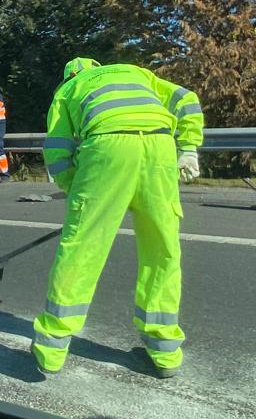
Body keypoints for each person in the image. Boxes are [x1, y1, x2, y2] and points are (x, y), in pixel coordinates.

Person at [32, 57, 203, 378]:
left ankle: (52, 348)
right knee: (162, 248)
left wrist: (76, 191)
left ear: (69, 75)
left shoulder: (69, 89)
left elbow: (56, 147)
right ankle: (165, 351)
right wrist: (189, 147)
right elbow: (186, 98)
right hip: (160, 147)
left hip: (107, 148)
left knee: (82, 248)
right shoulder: (135, 73)